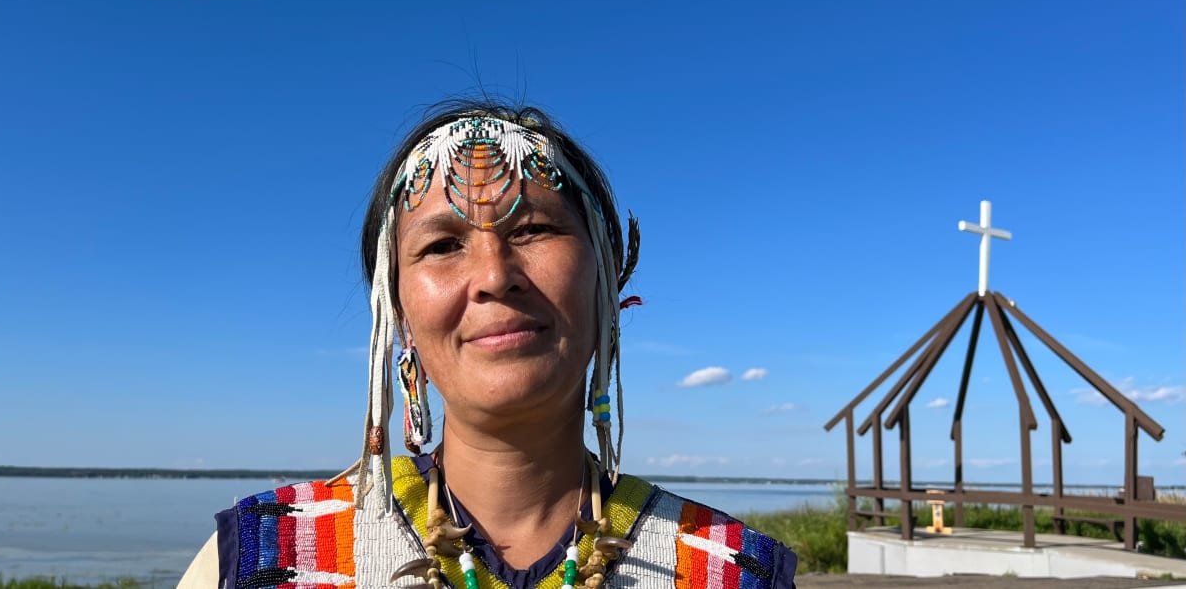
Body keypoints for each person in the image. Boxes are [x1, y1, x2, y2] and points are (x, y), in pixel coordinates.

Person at [179, 100, 797, 588]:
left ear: (607, 281)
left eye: (533, 229)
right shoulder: (261, 558)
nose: (496, 275)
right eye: (442, 246)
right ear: (396, 311)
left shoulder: (733, 570)